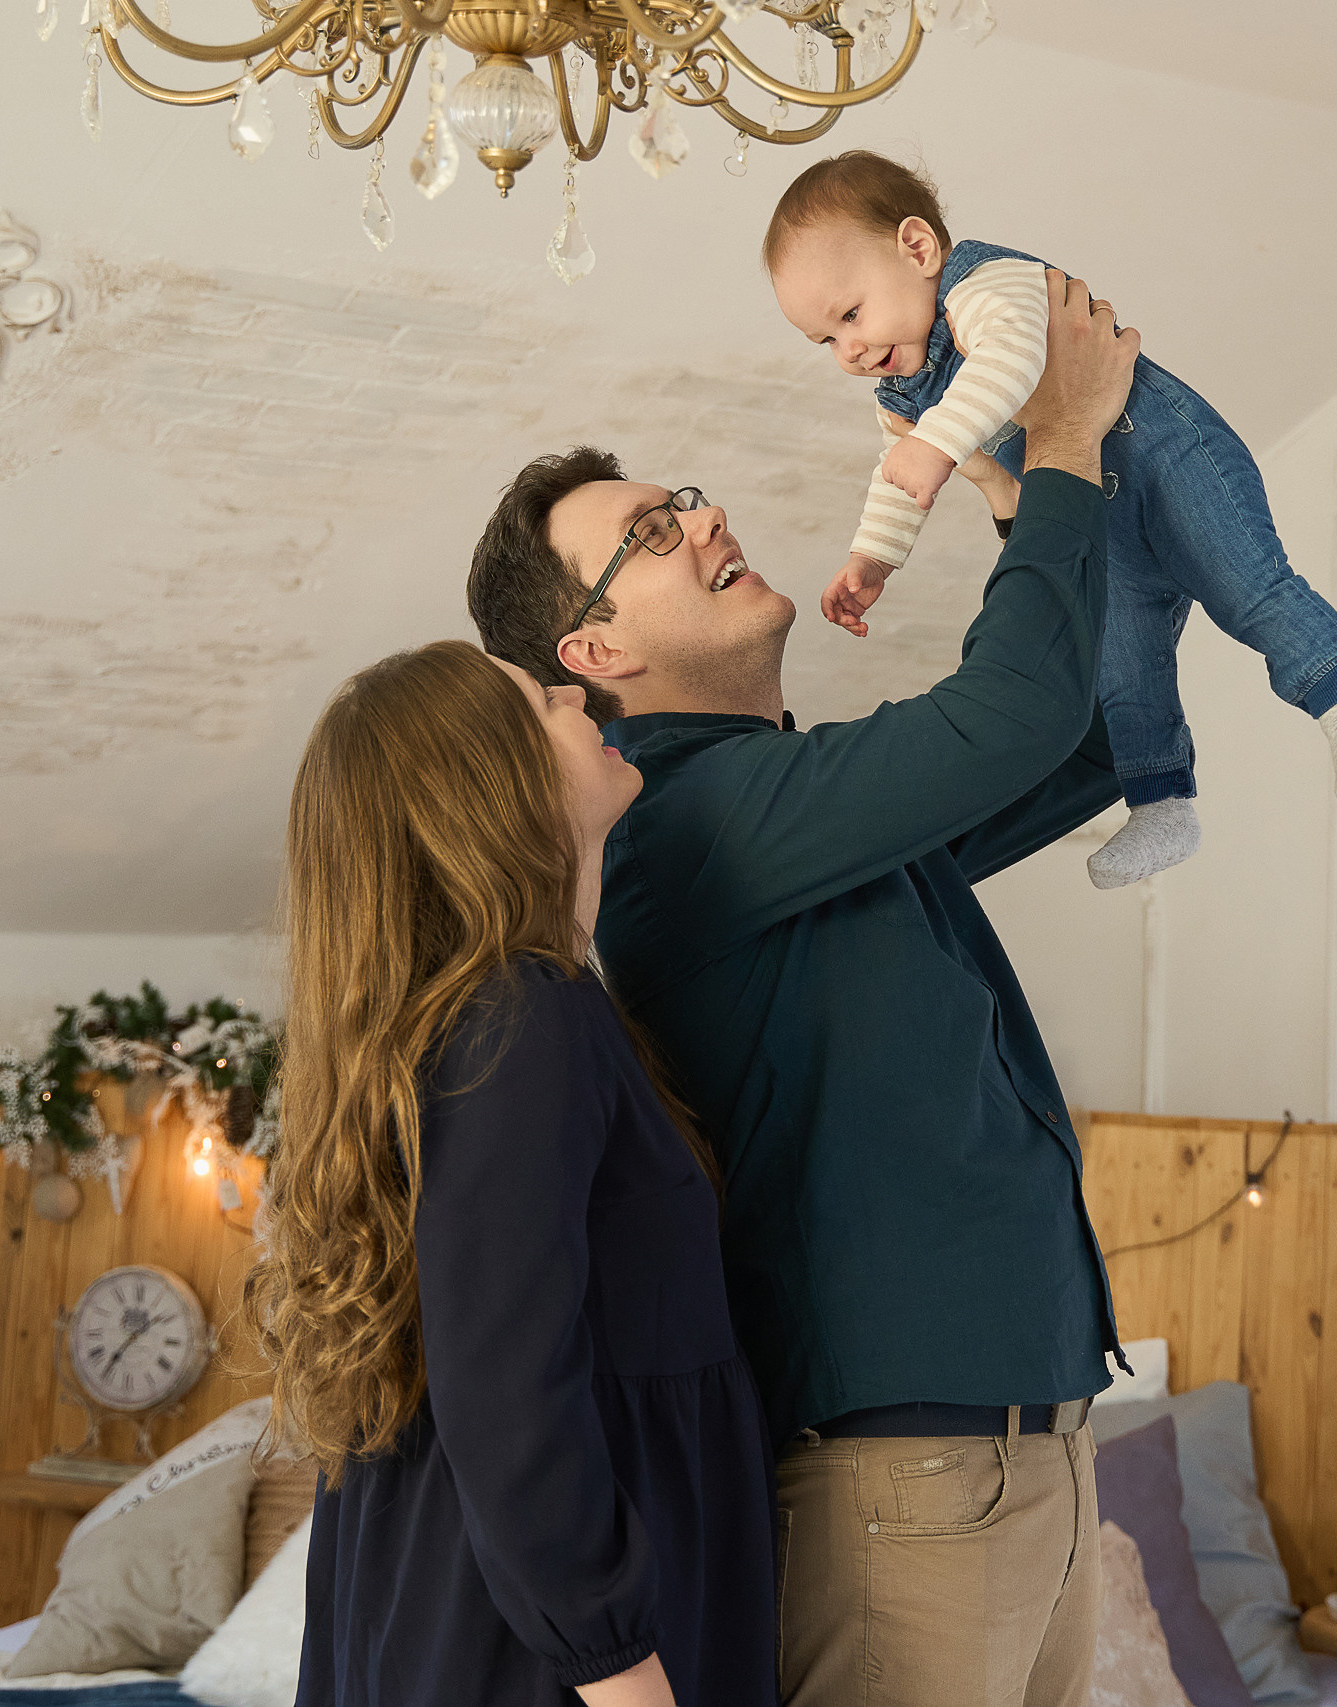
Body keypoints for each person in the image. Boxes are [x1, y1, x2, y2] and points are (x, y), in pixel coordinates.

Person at [467, 269, 1138, 1707]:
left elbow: (1076, 744)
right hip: (906, 1474)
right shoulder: (691, 825)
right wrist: (1066, 438)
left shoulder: (805, 804)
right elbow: (1016, 707)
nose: (703, 516)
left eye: (682, 496)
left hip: (1032, 1447)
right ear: (595, 654)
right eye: (651, 533)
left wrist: (1024, 481)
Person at [253, 640, 776, 1707]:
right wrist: (615, 1661)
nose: (577, 696)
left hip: (497, 1611)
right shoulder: (522, 1016)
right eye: (544, 701)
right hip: (545, 1651)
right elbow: (505, 1381)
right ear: (490, 781)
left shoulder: (517, 1013)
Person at [764, 150, 1337, 889]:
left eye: (850, 315)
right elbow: (895, 480)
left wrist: (938, 445)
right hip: (1097, 512)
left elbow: (1010, 358)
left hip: (1166, 457)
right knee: (1121, 660)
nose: (851, 350)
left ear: (917, 247)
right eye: (826, 341)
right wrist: (873, 557)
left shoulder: (983, 285)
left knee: (1248, 587)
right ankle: (1163, 802)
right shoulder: (902, 395)